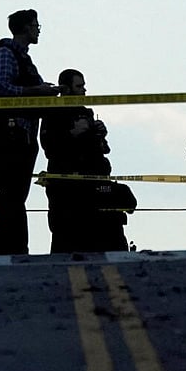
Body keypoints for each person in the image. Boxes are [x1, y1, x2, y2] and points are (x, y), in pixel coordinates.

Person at [0, 9, 60, 254]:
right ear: (25, 27)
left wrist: (43, 91)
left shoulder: (23, 58)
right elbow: (2, 89)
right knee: (11, 192)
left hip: (25, 133)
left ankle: (15, 246)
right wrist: (38, 92)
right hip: (12, 133)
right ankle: (8, 247)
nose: (38, 29)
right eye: (35, 24)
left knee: (17, 194)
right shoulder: (6, 53)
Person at [40, 69, 133, 253]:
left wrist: (99, 134)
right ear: (67, 89)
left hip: (93, 185)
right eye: (79, 86)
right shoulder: (53, 113)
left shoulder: (86, 113)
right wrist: (73, 134)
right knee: (66, 238)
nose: (84, 90)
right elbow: (49, 147)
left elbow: (102, 149)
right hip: (67, 189)